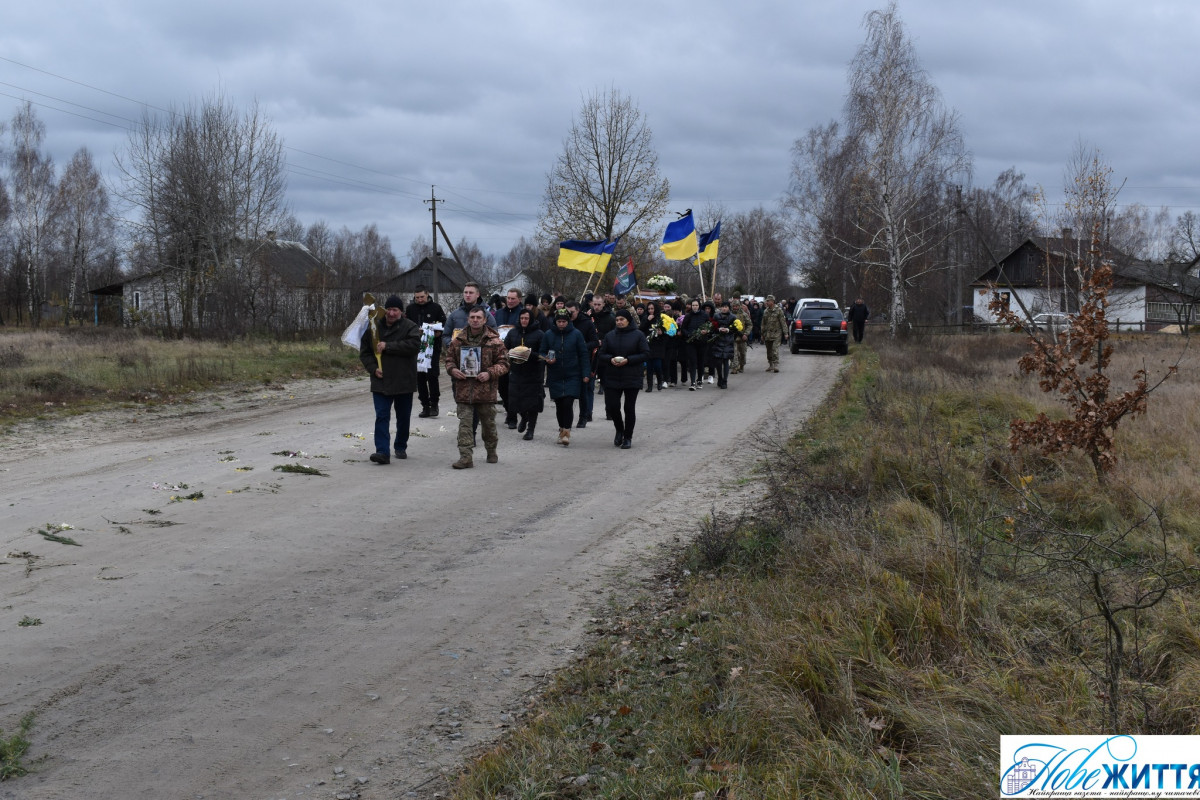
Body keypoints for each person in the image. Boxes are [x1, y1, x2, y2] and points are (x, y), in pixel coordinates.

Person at [360, 295, 422, 464]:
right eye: (389, 309)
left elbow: (414, 346)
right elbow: (365, 352)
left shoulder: (411, 327)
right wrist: (373, 368)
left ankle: (400, 446)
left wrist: (388, 346)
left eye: (395, 310)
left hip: (403, 380)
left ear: (401, 312)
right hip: (381, 380)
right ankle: (382, 451)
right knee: (381, 415)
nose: (391, 313)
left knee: (403, 417)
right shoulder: (373, 327)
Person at [444, 307, 508, 469]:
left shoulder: (494, 341)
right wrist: (453, 370)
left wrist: (489, 373)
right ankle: (466, 457)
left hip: (485, 390)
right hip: (464, 390)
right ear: (468, 319)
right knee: (465, 425)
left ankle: (491, 450)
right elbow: (449, 359)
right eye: (472, 317)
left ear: (485, 320)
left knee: (488, 425)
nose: (475, 320)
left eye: (478, 317)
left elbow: (504, 364)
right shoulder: (458, 340)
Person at [598, 308, 649, 449]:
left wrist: (629, 360)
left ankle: (628, 437)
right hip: (612, 376)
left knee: (629, 408)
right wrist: (610, 359)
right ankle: (619, 430)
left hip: (632, 375)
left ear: (628, 321)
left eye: (622, 319)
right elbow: (602, 354)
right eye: (617, 320)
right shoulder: (610, 336)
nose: (619, 322)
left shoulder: (638, 335)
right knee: (613, 406)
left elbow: (645, 353)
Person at [539, 309, 590, 446]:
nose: (561, 324)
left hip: (573, 374)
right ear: (555, 322)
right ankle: (561, 429)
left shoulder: (576, 334)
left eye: (564, 321)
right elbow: (542, 351)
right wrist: (546, 359)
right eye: (559, 321)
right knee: (559, 404)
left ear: (568, 322)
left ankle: (567, 432)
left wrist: (586, 373)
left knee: (568, 402)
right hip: (555, 374)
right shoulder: (549, 334)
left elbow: (583, 354)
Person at [503, 309, 546, 440]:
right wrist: (511, 353)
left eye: (526, 318)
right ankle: (524, 417)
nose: (524, 321)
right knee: (516, 401)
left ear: (531, 319)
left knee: (532, 403)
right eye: (522, 318)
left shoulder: (539, 334)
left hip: (533, 373)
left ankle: (530, 430)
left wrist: (529, 354)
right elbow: (505, 349)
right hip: (516, 372)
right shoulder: (513, 332)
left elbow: (543, 354)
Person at [406, 286, 446, 418]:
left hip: (432, 347)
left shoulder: (436, 308)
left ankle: (434, 403)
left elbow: (444, 324)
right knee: (420, 378)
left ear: (427, 295)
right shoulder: (410, 309)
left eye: (422, 297)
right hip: (416, 348)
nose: (420, 300)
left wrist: (438, 332)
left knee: (432, 376)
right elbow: (406, 326)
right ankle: (425, 406)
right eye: (417, 298)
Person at [493, 289, 526, 428]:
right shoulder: (499, 313)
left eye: (513, 298)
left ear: (519, 299)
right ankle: (509, 410)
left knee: (514, 388)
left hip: (516, 353)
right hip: (500, 354)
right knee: (502, 387)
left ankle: (513, 417)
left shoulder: (522, 314)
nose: (510, 301)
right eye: (508, 298)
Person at [566, 300, 600, 425]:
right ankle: (566, 420)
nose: (569, 315)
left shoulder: (586, 323)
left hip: (583, 360)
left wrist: (582, 346)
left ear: (578, 310)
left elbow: (595, 342)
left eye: (572, 312)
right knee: (567, 392)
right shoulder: (562, 322)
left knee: (583, 390)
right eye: (567, 312)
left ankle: (583, 416)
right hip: (567, 360)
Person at [708, 299, 740, 389]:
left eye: (726, 307)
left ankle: (725, 380)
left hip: (728, 341)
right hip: (718, 341)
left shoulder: (733, 317)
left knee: (725, 361)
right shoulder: (716, 316)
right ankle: (720, 378)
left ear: (729, 308)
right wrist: (718, 329)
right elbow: (712, 327)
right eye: (723, 307)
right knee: (718, 361)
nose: (724, 309)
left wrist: (728, 330)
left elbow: (737, 328)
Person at [680, 298, 710, 389]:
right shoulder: (688, 316)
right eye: (693, 305)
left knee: (701, 361)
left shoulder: (704, 315)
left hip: (702, 342)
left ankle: (699, 380)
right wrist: (689, 334)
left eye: (696, 305)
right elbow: (683, 329)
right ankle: (693, 382)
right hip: (691, 342)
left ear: (699, 306)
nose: (695, 307)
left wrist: (706, 331)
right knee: (693, 361)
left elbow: (710, 326)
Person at [639, 300, 667, 392]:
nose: (651, 310)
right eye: (649, 308)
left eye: (652, 308)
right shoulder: (645, 317)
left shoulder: (660, 318)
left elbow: (666, 330)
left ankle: (660, 382)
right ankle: (649, 385)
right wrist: (648, 320)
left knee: (658, 366)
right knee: (649, 367)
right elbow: (641, 328)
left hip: (658, 344)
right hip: (648, 344)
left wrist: (661, 332)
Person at [760, 295, 788, 373]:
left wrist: (785, 333)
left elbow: (783, 322)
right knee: (769, 350)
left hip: (776, 333)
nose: (767, 302)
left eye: (768, 301)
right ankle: (770, 364)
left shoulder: (779, 310)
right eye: (766, 301)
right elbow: (763, 323)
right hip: (768, 334)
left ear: (772, 301)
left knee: (774, 349)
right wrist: (762, 334)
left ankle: (776, 365)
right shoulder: (766, 311)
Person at [730, 298, 751, 374]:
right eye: (733, 306)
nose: (735, 307)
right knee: (734, 353)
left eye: (736, 306)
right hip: (733, 337)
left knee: (742, 353)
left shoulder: (744, 314)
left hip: (742, 337)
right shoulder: (730, 314)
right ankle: (735, 367)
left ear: (739, 306)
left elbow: (749, 325)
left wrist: (746, 334)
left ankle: (741, 365)